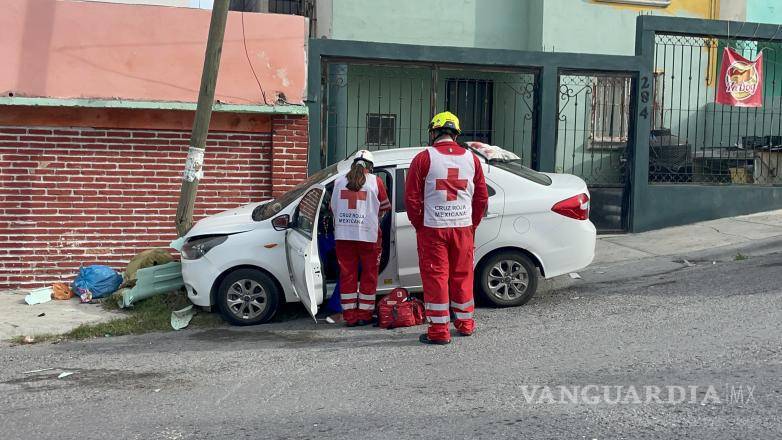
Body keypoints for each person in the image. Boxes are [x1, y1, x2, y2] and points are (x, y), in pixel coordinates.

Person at [405, 111, 489, 345]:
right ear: (455, 134)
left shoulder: (423, 158)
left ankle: (439, 331)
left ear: (434, 133)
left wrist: (420, 224)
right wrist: (472, 224)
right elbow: (481, 198)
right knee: (463, 275)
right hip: (463, 227)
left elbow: (411, 199)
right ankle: (465, 324)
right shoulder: (472, 159)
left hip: (433, 229)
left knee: (436, 278)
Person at [330, 150, 391, 326]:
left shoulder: (338, 181)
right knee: (369, 275)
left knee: (347, 275)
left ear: (353, 164)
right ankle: (365, 315)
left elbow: (333, 208)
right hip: (368, 236)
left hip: (343, 236)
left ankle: (349, 316)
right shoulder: (376, 181)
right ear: (370, 167)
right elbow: (385, 207)